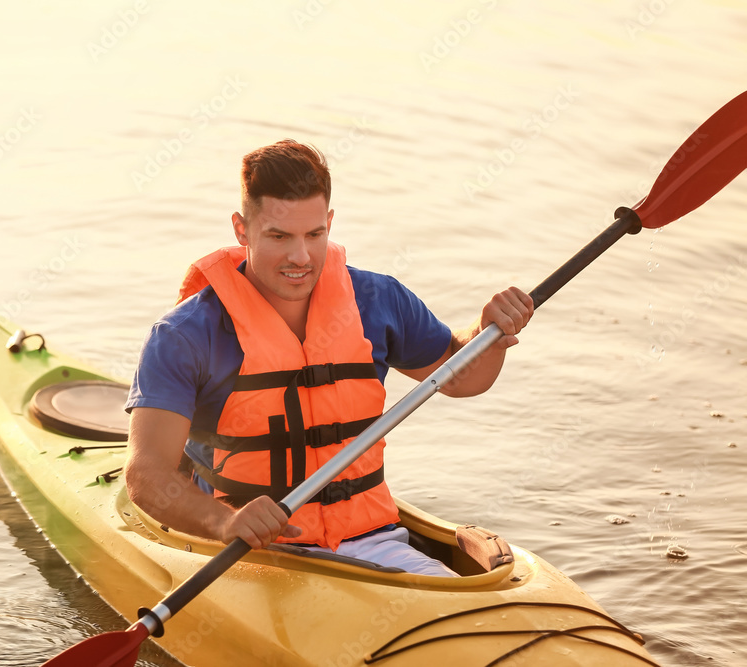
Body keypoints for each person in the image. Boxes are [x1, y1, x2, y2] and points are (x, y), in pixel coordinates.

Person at [124, 139, 532, 576]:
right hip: (248, 556)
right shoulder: (185, 335)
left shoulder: (377, 300)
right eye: (279, 236)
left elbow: (459, 375)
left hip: (376, 544)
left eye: (314, 235)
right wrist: (225, 522)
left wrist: (488, 332)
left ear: (330, 222)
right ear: (242, 230)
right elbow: (146, 474)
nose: (300, 257)